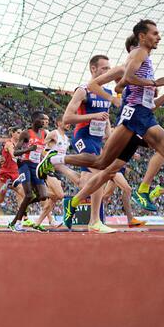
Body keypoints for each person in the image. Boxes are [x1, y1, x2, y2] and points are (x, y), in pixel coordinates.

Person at [39, 20, 164, 225]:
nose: (159, 37)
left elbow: (113, 84)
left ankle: (57, 161)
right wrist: (152, 83)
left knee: (106, 164)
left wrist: (162, 92)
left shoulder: (142, 60)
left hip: (142, 115)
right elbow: (125, 78)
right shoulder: (139, 53)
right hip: (134, 116)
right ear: (141, 37)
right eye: (155, 33)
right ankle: (156, 197)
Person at [60, 54, 119, 233]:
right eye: (104, 69)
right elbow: (67, 118)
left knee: (86, 181)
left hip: (97, 141)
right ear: (93, 69)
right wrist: (92, 116)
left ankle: (75, 204)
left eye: (109, 69)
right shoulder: (83, 90)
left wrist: (110, 138)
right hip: (82, 136)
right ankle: (94, 221)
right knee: (102, 174)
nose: (107, 72)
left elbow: (105, 118)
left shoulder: (107, 93)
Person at [10, 112, 50, 232]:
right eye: (43, 119)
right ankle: (16, 223)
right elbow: (15, 152)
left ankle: (19, 213)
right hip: (24, 164)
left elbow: (43, 151)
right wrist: (28, 149)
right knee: (28, 195)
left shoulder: (44, 133)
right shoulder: (26, 133)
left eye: (46, 119)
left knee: (43, 196)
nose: (45, 122)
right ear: (35, 120)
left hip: (36, 166)